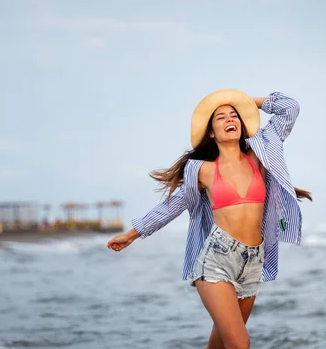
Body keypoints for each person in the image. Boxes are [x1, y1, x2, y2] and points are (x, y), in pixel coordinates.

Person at [107, 89, 312, 349]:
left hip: (253, 263)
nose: (230, 119)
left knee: (218, 346)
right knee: (239, 344)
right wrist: (132, 234)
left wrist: (247, 101)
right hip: (216, 260)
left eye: (234, 115)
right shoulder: (202, 170)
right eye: (221, 117)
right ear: (212, 133)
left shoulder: (260, 155)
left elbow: (289, 107)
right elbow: (173, 206)